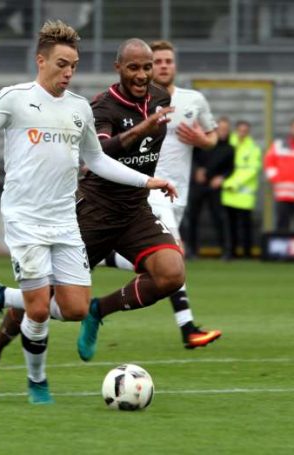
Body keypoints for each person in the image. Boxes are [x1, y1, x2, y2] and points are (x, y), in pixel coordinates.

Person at [0, 24, 175, 403]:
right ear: (40, 61)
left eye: (73, 65)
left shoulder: (77, 108)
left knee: (73, 308)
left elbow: (95, 159)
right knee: (39, 307)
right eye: (62, 64)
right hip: (31, 218)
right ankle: (36, 383)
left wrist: (147, 182)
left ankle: (0, 296)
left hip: (67, 219)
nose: (68, 72)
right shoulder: (15, 98)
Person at [102, 39, 222, 347]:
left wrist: (201, 139)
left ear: (174, 65)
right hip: (148, 190)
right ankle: (188, 329)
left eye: (168, 60)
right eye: (158, 61)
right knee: (173, 258)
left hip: (176, 194)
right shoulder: (135, 102)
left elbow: (213, 138)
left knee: (160, 264)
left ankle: (101, 257)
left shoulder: (193, 100)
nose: (163, 65)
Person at [187, 116, 234, 257]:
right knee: (193, 217)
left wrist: (222, 178)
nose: (223, 132)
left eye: (226, 129)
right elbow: (191, 158)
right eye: (221, 129)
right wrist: (197, 171)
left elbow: (231, 168)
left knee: (220, 218)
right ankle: (192, 250)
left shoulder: (229, 149)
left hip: (214, 187)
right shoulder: (202, 143)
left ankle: (226, 251)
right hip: (198, 185)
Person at [221, 120, 261, 259]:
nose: (242, 133)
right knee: (230, 225)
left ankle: (247, 252)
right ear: (236, 130)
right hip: (228, 192)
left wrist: (234, 183)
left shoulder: (253, 148)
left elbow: (252, 171)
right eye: (240, 130)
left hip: (243, 194)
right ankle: (231, 252)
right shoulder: (228, 144)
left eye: (245, 130)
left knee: (245, 226)